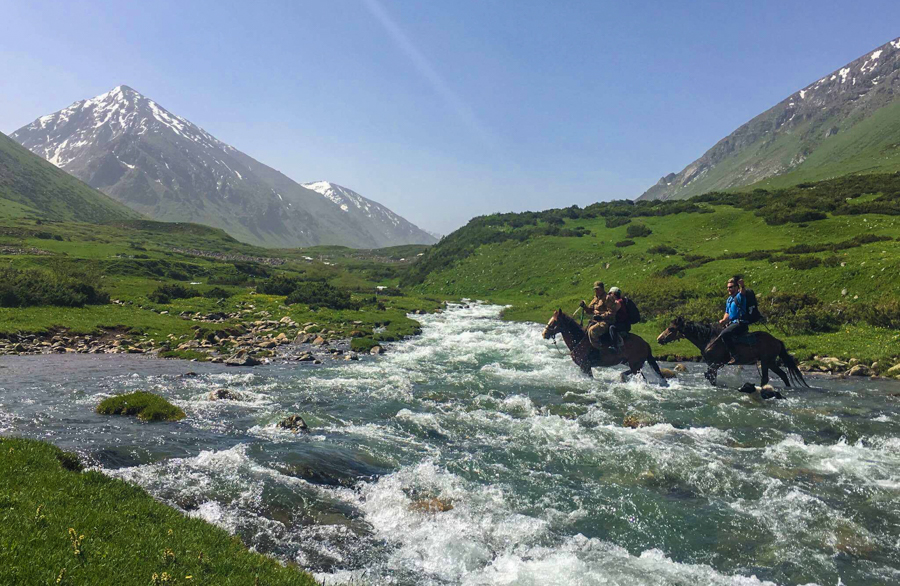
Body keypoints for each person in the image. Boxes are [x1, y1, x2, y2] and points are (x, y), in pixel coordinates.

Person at [707, 276, 748, 360]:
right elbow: (727, 313)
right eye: (728, 287)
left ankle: (735, 355)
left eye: (731, 287)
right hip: (731, 323)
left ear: (736, 288)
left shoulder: (739, 297)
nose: (729, 289)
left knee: (725, 334)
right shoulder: (729, 300)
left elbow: (743, 292)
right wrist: (723, 320)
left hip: (740, 323)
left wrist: (742, 286)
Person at [606, 286, 630, 354]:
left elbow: (613, 312)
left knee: (612, 328)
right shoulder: (620, 301)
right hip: (621, 322)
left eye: (610, 294)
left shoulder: (618, 302)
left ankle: (614, 346)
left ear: (613, 294)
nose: (609, 295)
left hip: (623, 324)